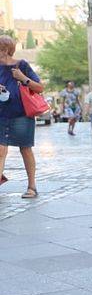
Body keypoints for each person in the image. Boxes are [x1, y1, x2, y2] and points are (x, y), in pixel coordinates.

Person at [0, 35, 42, 199]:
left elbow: (39, 87)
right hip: (1, 115)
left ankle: (32, 186)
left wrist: (22, 78)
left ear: (6, 50)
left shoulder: (21, 65)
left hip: (21, 114)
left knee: (25, 149)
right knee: (1, 150)